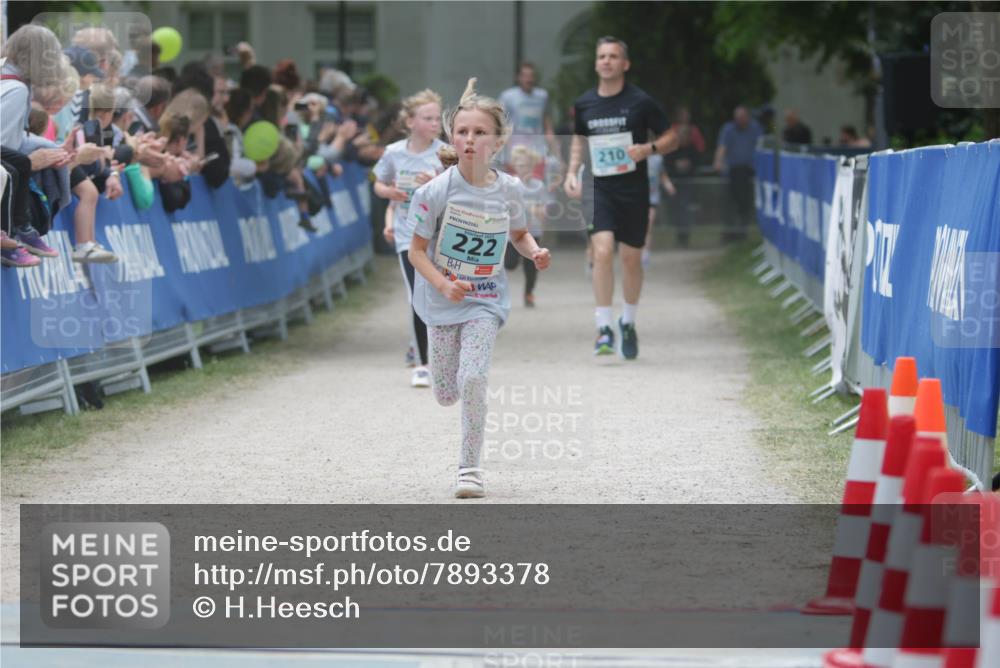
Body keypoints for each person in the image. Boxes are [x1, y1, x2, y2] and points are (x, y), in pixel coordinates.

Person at [406, 78, 550, 498]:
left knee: (472, 379)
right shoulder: (435, 191)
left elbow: (519, 235)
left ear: (498, 140)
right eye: (463, 132)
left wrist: (535, 251)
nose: (470, 140)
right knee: (446, 392)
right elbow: (416, 252)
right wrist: (443, 283)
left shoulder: (509, 189)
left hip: (486, 299)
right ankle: (446, 386)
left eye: (480, 132)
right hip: (440, 299)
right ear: (454, 136)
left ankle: (469, 469)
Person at [563, 36, 677, 360]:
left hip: (633, 189)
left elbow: (672, 137)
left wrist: (648, 149)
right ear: (596, 62)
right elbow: (578, 140)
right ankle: (603, 327)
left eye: (613, 56)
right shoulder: (584, 103)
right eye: (602, 56)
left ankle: (627, 321)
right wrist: (572, 172)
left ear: (625, 64)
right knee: (601, 251)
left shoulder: (641, 101)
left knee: (630, 258)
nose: (607, 61)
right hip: (599, 187)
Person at [372, 88, 446, 388]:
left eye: (437, 118)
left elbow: (458, 189)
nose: (434, 123)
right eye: (427, 118)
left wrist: (436, 183)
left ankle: (437, 353)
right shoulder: (393, 153)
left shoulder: (444, 152)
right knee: (417, 295)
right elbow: (378, 184)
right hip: (407, 235)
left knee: (439, 294)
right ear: (411, 122)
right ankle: (423, 364)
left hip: (440, 236)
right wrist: (389, 192)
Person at [503, 146, 550, 307]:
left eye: (526, 165)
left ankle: (528, 293)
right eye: (519, 165)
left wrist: (531, 208)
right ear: (514, 165)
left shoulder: (538, 186)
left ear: (532, 166)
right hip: (512, 234)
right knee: (509, 263)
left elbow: (544, 212)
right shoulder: (508, 184)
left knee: (531, 268)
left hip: (533, 232)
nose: (523, 169)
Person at [713, 105, 762, 242]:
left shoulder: (755, 128)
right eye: (737, 118)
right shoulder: (728, 129)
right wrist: (718, 161)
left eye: (741, 118)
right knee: (729, 204)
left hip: (749, 173)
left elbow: (761, 147)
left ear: (747, 117)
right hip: (732, 173)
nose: (739, 121)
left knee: (744, 204)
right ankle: (729, 233)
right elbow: (722, 147)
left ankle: (743, 232)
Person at [498, 62, 561, 168]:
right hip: (515, 150)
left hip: (537, 149)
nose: (529, 79)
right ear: (518, 77)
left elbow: (548, 126)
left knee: (538, 182)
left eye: (531, 75)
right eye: (525, 76)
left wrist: (557, 154)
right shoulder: (507, 97)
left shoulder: (542, 96)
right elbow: (500, 124)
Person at [664, 106, 704, 247]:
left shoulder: (693, 150)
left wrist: (689, 165)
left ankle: (685, 237)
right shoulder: (671, 150)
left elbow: (698, 162)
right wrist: (676, 165)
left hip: (688, 183)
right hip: (675, 184)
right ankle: (679, 236)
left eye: (684, 135)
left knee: (685, 208)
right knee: (677, 209)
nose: (682, 137)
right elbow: (667, 164)